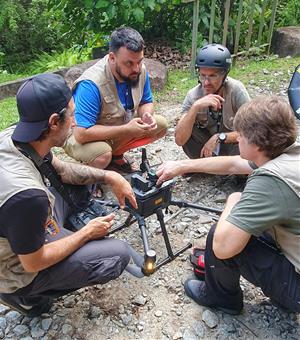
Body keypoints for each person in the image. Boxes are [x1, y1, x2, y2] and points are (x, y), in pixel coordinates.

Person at [0, 73, 138, 317]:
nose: (75, 122)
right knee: (117, 255)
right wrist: (87, 233)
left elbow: (63, 171)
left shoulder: (16, 138)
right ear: (54, 121)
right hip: (15, 266)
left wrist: (110, 176)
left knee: (83, 181)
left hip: (20, 224)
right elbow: (33, 262)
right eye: (72, 114)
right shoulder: (27, 196)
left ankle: (59, 235)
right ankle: (24, 296)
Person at [157, 95, 300, 314]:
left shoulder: (271, 180)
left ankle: (220, 298)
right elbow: (233, 164)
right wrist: (181, 164)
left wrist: (235, 199)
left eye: (241, 136)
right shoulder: (288, 153)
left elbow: (224, 248)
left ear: (256, 143)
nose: (237, 140)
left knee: (219, 234)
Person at [63, 26, 168, 172]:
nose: (136, 68)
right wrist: (126, 129)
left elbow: (146, 102)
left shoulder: (139, 71)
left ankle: (116, 157)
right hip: (79, 135)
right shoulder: (91, 84)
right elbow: (81, 133)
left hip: (114, 125)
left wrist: (146, 115)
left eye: (139, 61)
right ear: (112, 57)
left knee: (160, 125)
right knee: (102, 155)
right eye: (129, 63)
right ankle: (84, 174)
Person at [175, 43, 250, 159]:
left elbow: (254, 131)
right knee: (186, 124)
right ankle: (209, 168)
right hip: (206, 148)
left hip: (232, 147)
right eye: (202, 75)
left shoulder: (236, 90)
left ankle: (230, 170)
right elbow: (179, 140)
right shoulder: (193, 95)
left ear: (224, 74)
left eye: (212, 76)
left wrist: (220, 137)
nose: (206, 83)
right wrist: (195, 108)